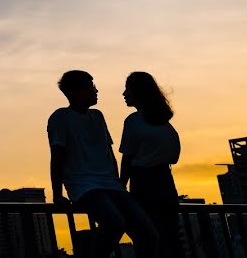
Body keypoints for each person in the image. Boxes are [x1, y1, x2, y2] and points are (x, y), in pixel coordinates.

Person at [48, 70, 158, 258]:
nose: (96, 91)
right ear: (75, 91)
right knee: (114, 223)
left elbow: (108, 153)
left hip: (112, 186)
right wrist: (57, 194)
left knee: (149, 233)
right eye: (90, 87)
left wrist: (118, 183)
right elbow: (57, 156)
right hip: (84, 187)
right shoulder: (61, 117)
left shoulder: (98, 116)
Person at [119, 72, 181, 257]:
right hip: (166, 182)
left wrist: (121, 186)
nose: (124, 94)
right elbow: (173, 156)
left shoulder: (134, 121)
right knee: (168, 236)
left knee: (146, 236)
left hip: (143, 183)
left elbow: (127, 158)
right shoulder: (164, 124)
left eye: (127, 89)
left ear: (137, 92)